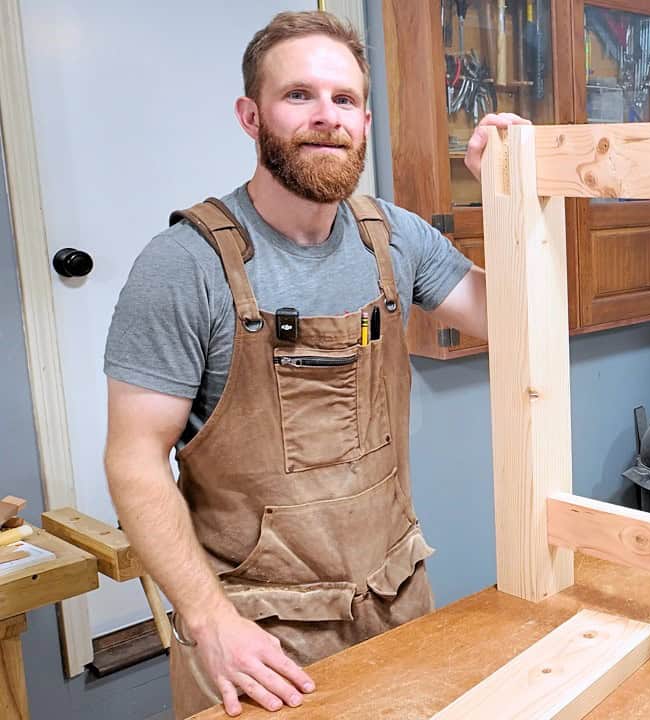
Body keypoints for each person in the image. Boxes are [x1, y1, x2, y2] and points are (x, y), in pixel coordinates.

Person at [102, 11, 526, 718]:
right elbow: (134, 461)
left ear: (363, 121)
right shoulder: (184, 266)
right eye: (298, 95)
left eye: (345, 100)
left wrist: (508, 193)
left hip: (397, 600)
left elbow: (513, 320)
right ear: (251, 114)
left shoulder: (393, 239)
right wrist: (208, 621)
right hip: (257, 639)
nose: (325, 117)